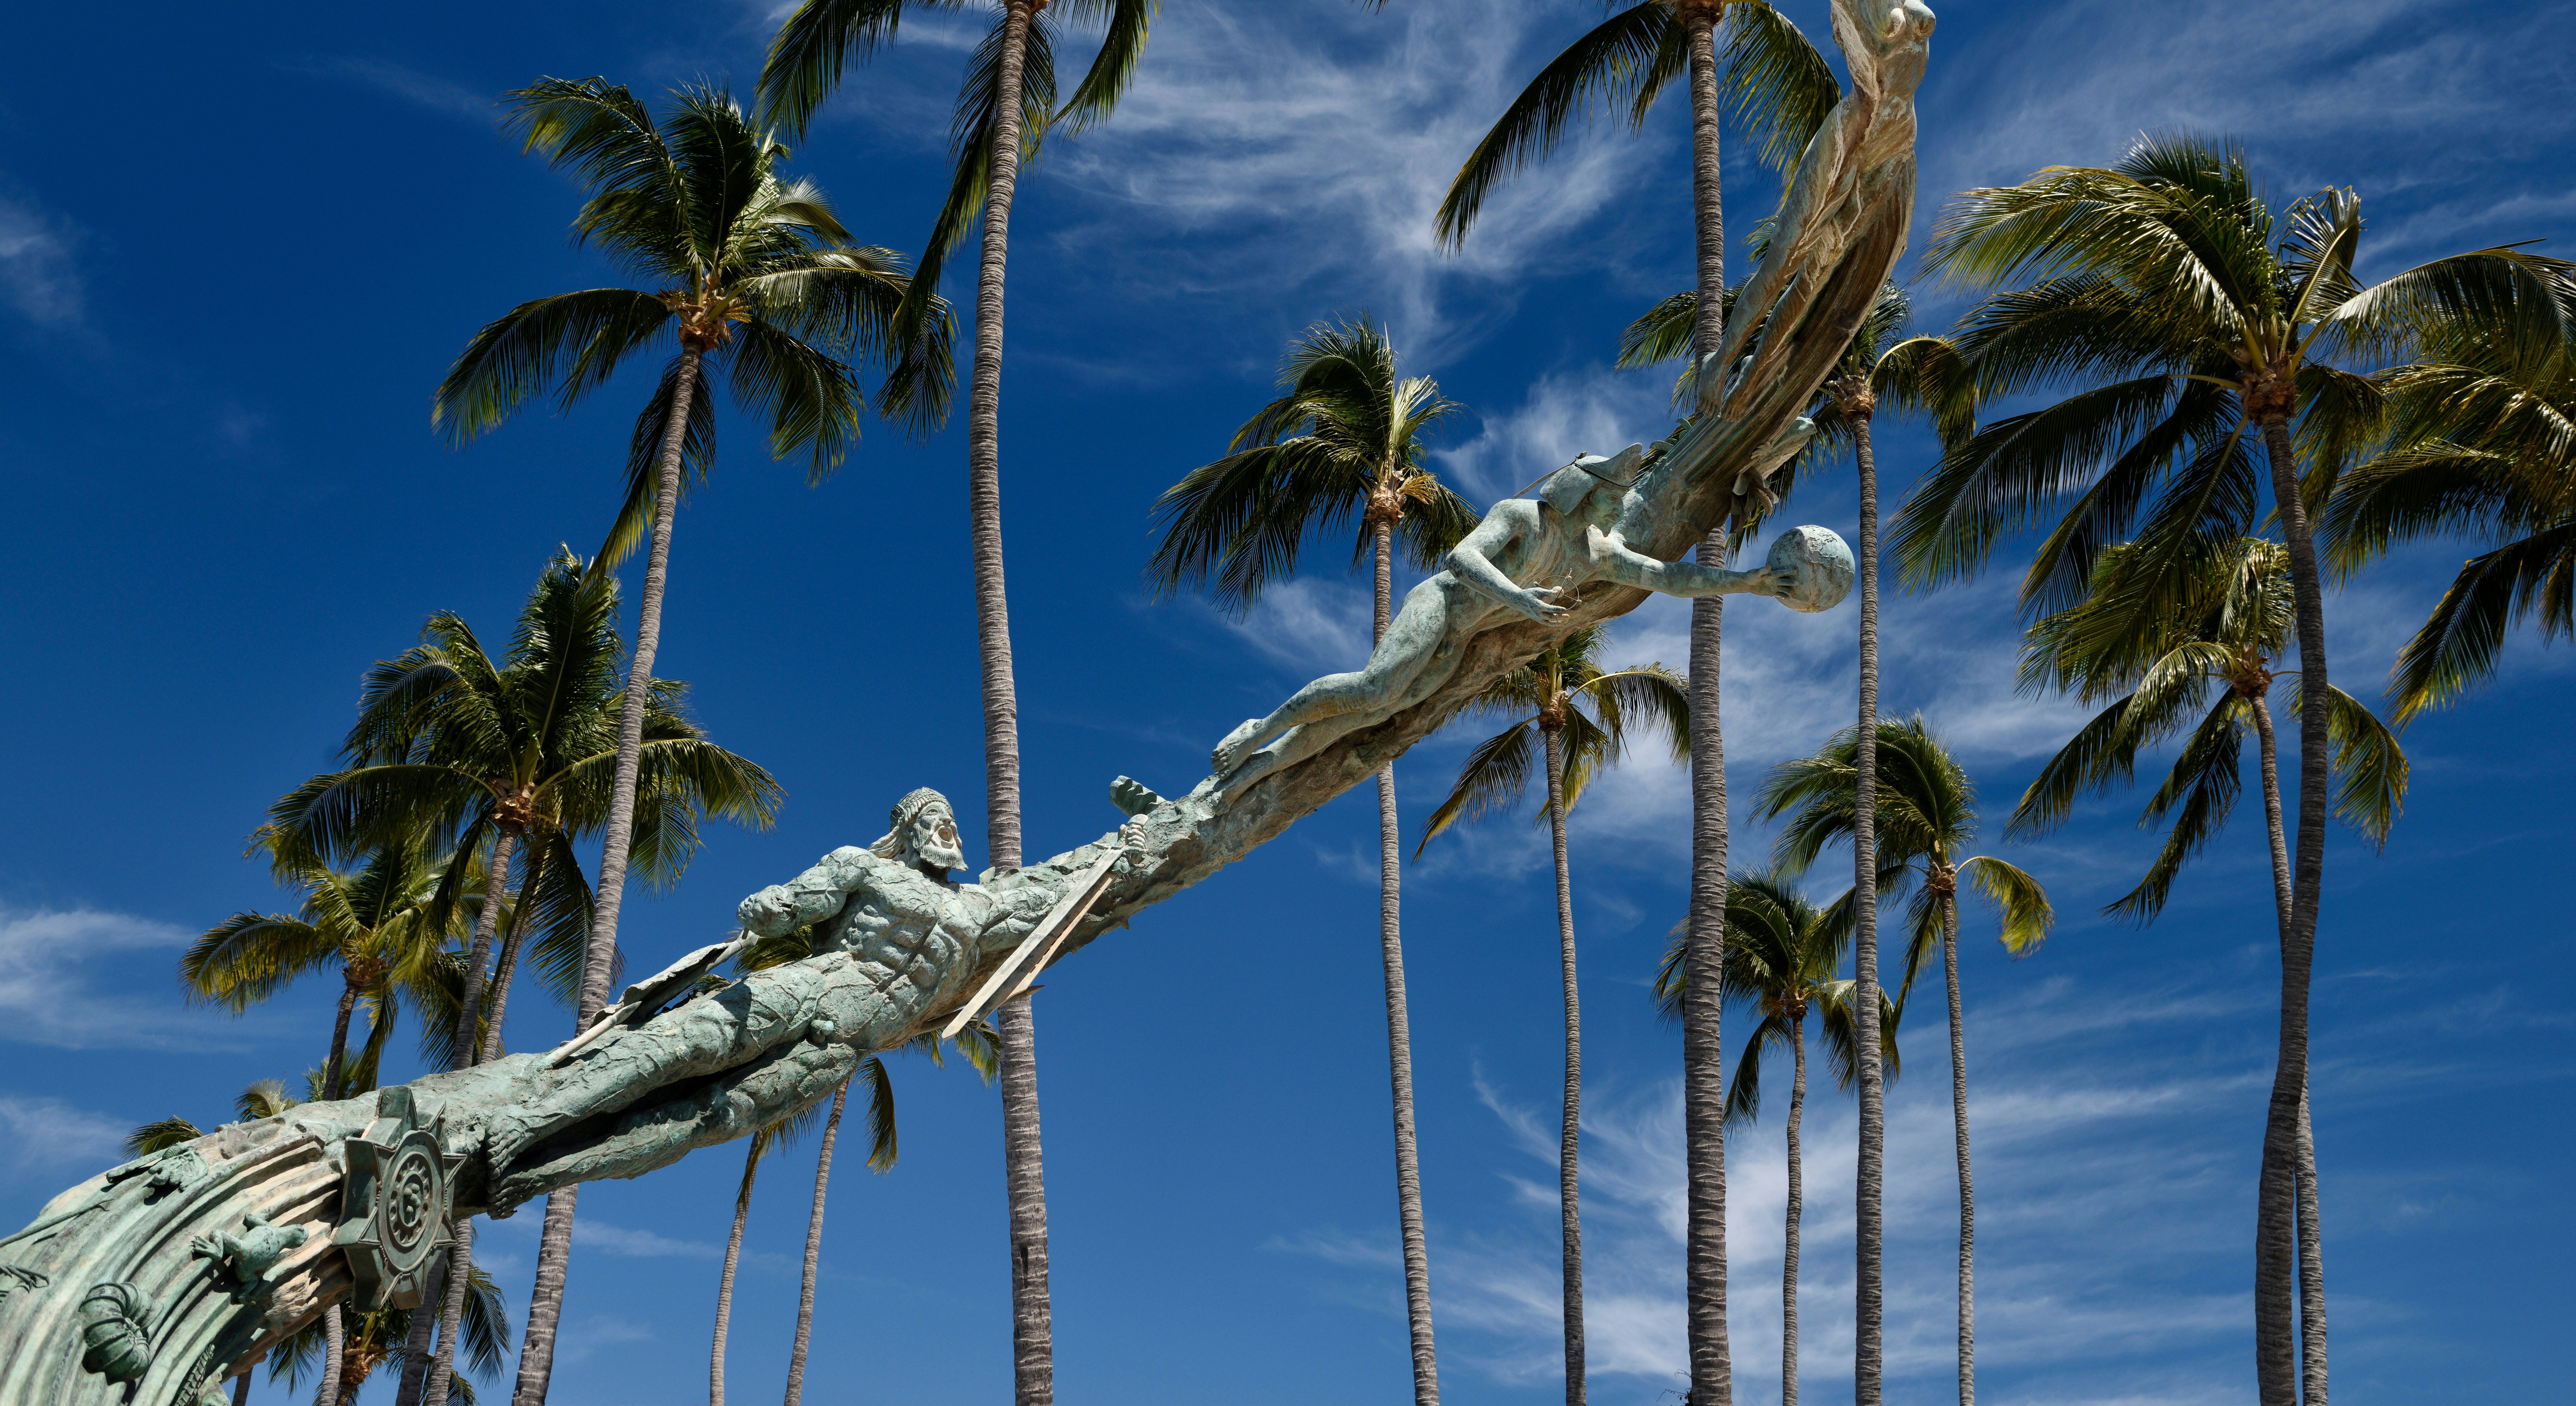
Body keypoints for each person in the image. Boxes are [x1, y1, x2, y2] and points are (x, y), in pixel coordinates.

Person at [477, 788, 1125, 1208]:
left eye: (953, 821)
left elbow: (1056, 893)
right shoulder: (865, 866)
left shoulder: (976, 908)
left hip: (851, 1042)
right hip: (816, 986)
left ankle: (535, 1174)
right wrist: (769, 907)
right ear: (907, 829)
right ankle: (522, 1123)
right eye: (935, 819)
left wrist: (1126, 847)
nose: (949, 829)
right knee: (678, 1046)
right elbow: (799, 903)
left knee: (713, 1117)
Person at [1205, 446, 1800, 796]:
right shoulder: (1521, 515)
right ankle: (1259, 731)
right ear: (1584, 492)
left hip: (1459, 640)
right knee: (1373, 688)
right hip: (1438, 607)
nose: (1622, 506)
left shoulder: (1599, 552)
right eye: (1614, 495)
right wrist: (1518, 600)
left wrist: (1746, 583)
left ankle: (1265, 766)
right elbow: (1458, 558)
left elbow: (1667, 577)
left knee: (1379, 712)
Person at [1707, 0, 1933, 421]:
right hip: (1857, 121)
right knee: (1785, 259)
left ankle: (1761, 387)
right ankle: (1722, 368)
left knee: (1815, 282)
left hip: (1895, 144)